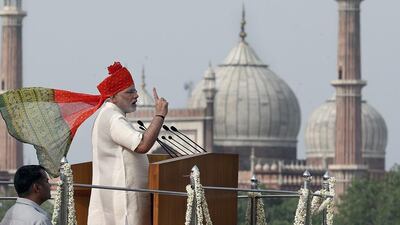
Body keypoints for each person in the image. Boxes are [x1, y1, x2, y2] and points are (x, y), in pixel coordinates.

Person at [87, 62, 168, 225]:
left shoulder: (111, 114)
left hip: (121, 199)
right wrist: (159, 115)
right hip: (121, 205)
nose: (136, 95)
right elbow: (142, 145)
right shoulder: (113, 117)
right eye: (129, 92)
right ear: (113, 97)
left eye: (135, 90)